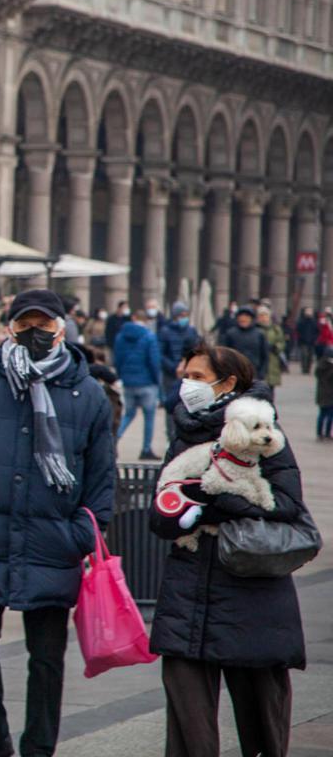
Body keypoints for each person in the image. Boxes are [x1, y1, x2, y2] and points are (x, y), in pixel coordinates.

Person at [0, 289, 115, 757]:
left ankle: (39, 747)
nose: (34, 334)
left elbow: (101, 477)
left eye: (44, 325)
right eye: (24, 325)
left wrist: (82, 532)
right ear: (10, 328)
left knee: (47, 658)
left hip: (53, 542)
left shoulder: (88, 394)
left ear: (62, 329)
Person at [149, 343, 307, 757]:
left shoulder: (264, 431)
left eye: (197, 377)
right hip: (188, 593)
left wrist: (216, 501)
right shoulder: (184, 432)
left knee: (262, 719)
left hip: (252, 594)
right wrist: (177, 512)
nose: (187, 385)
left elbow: (288, 507)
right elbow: (161, 511)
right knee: (187, 725)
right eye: (186, 375)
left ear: (228, 383)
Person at [114, 310, 163, 461]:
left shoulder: (120, 336)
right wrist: (157, 381)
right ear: (146, 320)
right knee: (149, 417)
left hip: (128, 381)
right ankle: (146, 449)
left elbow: (117, 359)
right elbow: (154, 361)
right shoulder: (149, 336)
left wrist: (122, 375)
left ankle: (114, 440)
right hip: (147, 382)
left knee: (128, 414)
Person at [158, 301, 200, 442]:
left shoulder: (191, 331)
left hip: (190, 373)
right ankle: (171, 435)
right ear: (175, 315)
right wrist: (174, 367)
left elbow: (197, 350)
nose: (184, 317)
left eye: (185, 314)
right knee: (171, 404)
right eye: (181, 315)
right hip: (171, 374)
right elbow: (160, 354)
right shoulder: (165, 331)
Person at [220, 306, 270, 380]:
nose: (243, 319)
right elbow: (224, 355)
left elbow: (264, 355)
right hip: (234, 374)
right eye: (241, 317)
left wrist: (262, 373)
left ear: (251, 319)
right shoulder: (230, 333)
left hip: (254, 373)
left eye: (246, 317)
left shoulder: (259, 334)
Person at [258, 306, 286, 390]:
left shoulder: (275, 329)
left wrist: (276, 347)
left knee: (270, 387)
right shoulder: (256, 329)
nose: (263, 318)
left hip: (273, 359)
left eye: (265, 315)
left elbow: (282, 342)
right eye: (261, 315)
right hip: (260, 359)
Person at [317, 347, 333, 440]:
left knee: (322, 415)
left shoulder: (320, 366)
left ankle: (320, 433)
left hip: (322, 396)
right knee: (329, 416)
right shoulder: (329, 368)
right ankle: (326, 433)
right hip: (329, 396)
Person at [297, 307, 318, 374]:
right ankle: (304, 368)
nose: (308, 313)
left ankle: (308, 369)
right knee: (304, 355)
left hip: (311, 342)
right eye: (307, 312)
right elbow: (298, 331)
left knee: (310, 356)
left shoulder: (314, 322)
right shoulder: (301, 321)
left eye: (310, 312)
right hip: (303, 342)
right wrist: (301, 338)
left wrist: (314, 339)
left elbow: (317, 331)